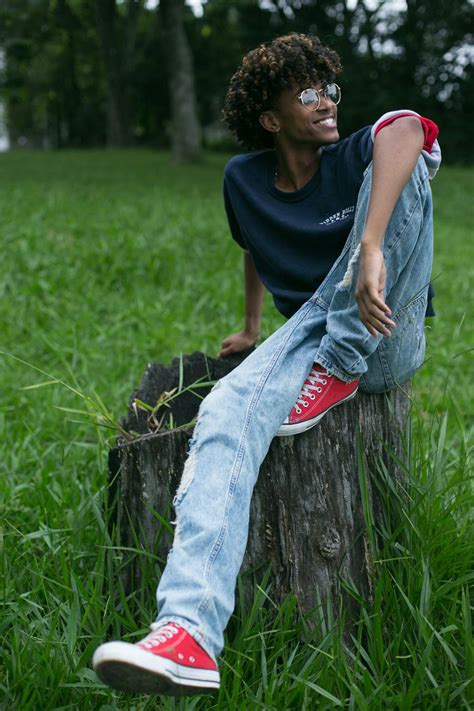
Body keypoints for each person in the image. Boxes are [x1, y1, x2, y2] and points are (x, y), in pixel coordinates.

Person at [92, 33, 440, 696]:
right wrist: (252, 324)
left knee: (411, 162)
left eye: (328, 87)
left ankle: (340, 361)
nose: (326, 102)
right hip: (309, 329)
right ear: (270, 118)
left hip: (383, 327)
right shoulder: (243, 179)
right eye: (306, 91)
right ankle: (189, 629)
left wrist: (370, 245)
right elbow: (255, 240)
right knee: (222, 413)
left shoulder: (352, 158)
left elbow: (404, 129)